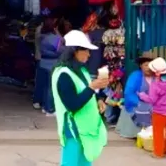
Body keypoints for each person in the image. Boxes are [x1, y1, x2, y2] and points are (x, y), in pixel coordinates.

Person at [51, 30, 110, 166]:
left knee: (85, 162)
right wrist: (91, 88)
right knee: (70, 163)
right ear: (74, 51)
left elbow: (87, 91)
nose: (89, 55)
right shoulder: (63, 74)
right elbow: (72, 104)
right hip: (73, 129)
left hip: (86, 128)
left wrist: (98, 99)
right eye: (86, 50)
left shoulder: (82, 71)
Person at [139, 58, 166, 158]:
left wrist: (142, 95)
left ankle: (158, 153)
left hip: (159, 112)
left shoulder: (155, 85)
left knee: (158, 133)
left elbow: (152, 99)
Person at [119, 52, 155, 139]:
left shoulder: (158, 77)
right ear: (141, 66)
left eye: (151, 65)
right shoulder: (135, 76)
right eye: (146, 65)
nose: (148, 68)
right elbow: (129, 93)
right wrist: (139, 103)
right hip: (136, 105)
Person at [34, 18, 63, 116]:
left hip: (43, 63)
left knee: (45, 86)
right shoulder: (54, 38)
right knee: (51, 88)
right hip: (52, 64)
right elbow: (60, 50)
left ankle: (44, 106)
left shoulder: (41, 37)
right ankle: (49, 109)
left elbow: (43, 51)